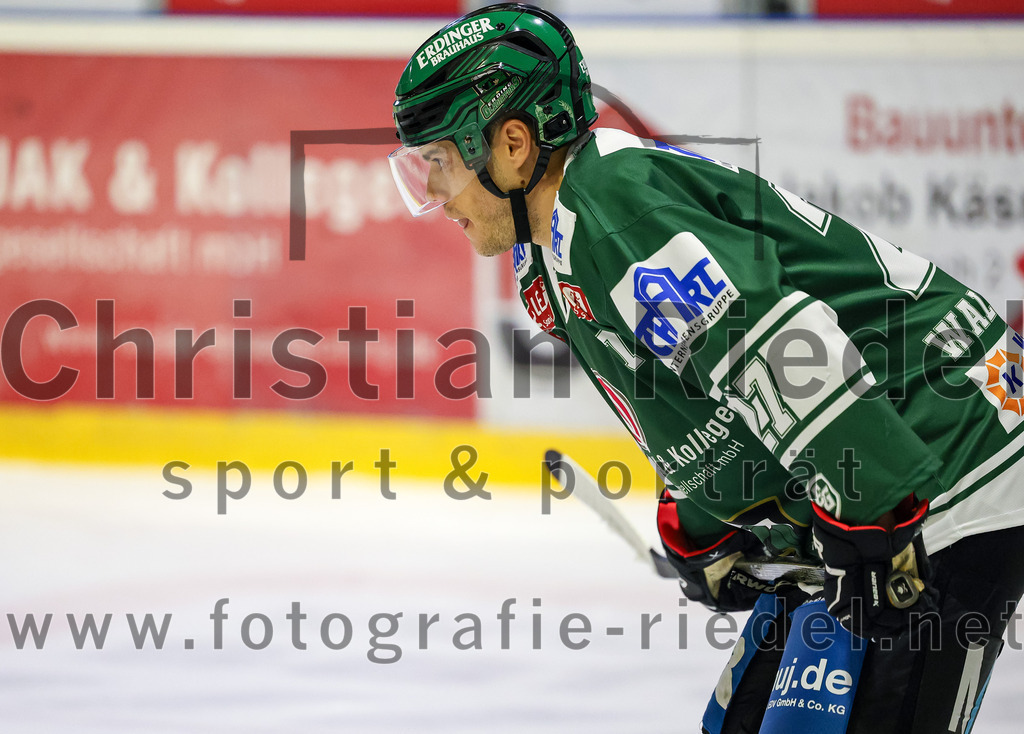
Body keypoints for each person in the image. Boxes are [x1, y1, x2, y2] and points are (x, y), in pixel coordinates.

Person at [388, 4, 1024, 732]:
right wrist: (705, 523)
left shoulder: (613, 211)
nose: (432, 195)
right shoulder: (559, 244)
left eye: (437, 162)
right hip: (864, 460)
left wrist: (874, 514)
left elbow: (780, 346)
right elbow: (700, 396)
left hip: (945, 452)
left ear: (510, 144)